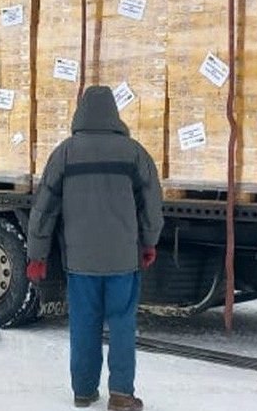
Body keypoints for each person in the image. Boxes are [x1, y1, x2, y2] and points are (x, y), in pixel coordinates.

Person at [27, 85, 164, 411]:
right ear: (114, 114)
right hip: (122, 261)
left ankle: (84, 391)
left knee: (84, 323)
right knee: (121, 324)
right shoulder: (134, 153)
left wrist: (37, 254)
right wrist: (149, 242)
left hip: (81, 261)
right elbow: (152, 204)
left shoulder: (65, 153)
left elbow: (43, 208)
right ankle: (120, 395)